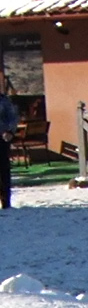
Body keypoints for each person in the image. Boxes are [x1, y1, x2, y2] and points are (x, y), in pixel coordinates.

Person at [0, 80, 17, 210]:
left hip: (2, 137)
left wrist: (10, 131)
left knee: (3, 170)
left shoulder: (4, 101)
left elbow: (13, 117)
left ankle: (5, 201)